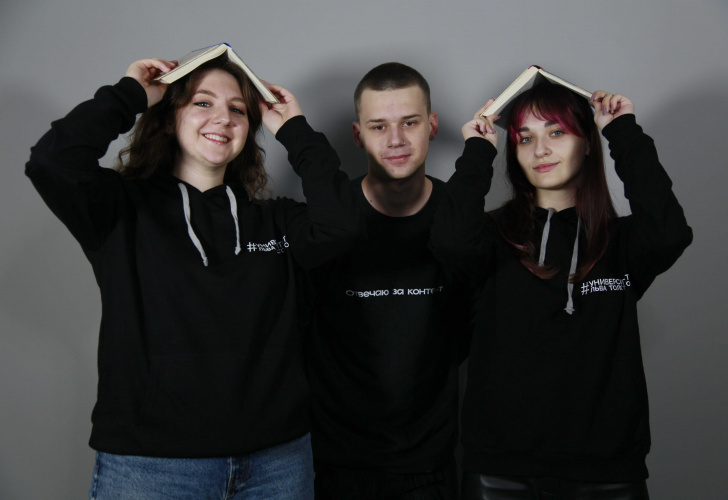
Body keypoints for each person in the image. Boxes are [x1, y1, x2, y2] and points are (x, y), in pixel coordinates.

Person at [26, 54, 360, 499]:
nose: (223, 117)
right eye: (203, 103)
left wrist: (295, 130)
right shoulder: (120, 209)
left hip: (276, 464)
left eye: (238, 109)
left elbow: (344, 225)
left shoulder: (275, 221)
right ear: (169, 119)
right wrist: (129, 95)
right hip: (152, 468)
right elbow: (51, 161)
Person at [430, 83, 693, 499]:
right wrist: (478, 149)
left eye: (556, 132)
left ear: (587, 143)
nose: (540, 150)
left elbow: (670, 232)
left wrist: (622, 131)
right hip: (501, 472)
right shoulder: (491, 237)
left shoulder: (621, 242)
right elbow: (448, 241)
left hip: (608, 473)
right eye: (525, 138)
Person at [306, 62, 470, 499]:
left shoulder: (460, 219)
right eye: (378, 126)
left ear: (432, 126)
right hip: (333, 464)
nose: (395, 140)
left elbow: (473, 328)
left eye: (409, 123)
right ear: (357, 134)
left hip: (430, 465)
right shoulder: (325, 224)